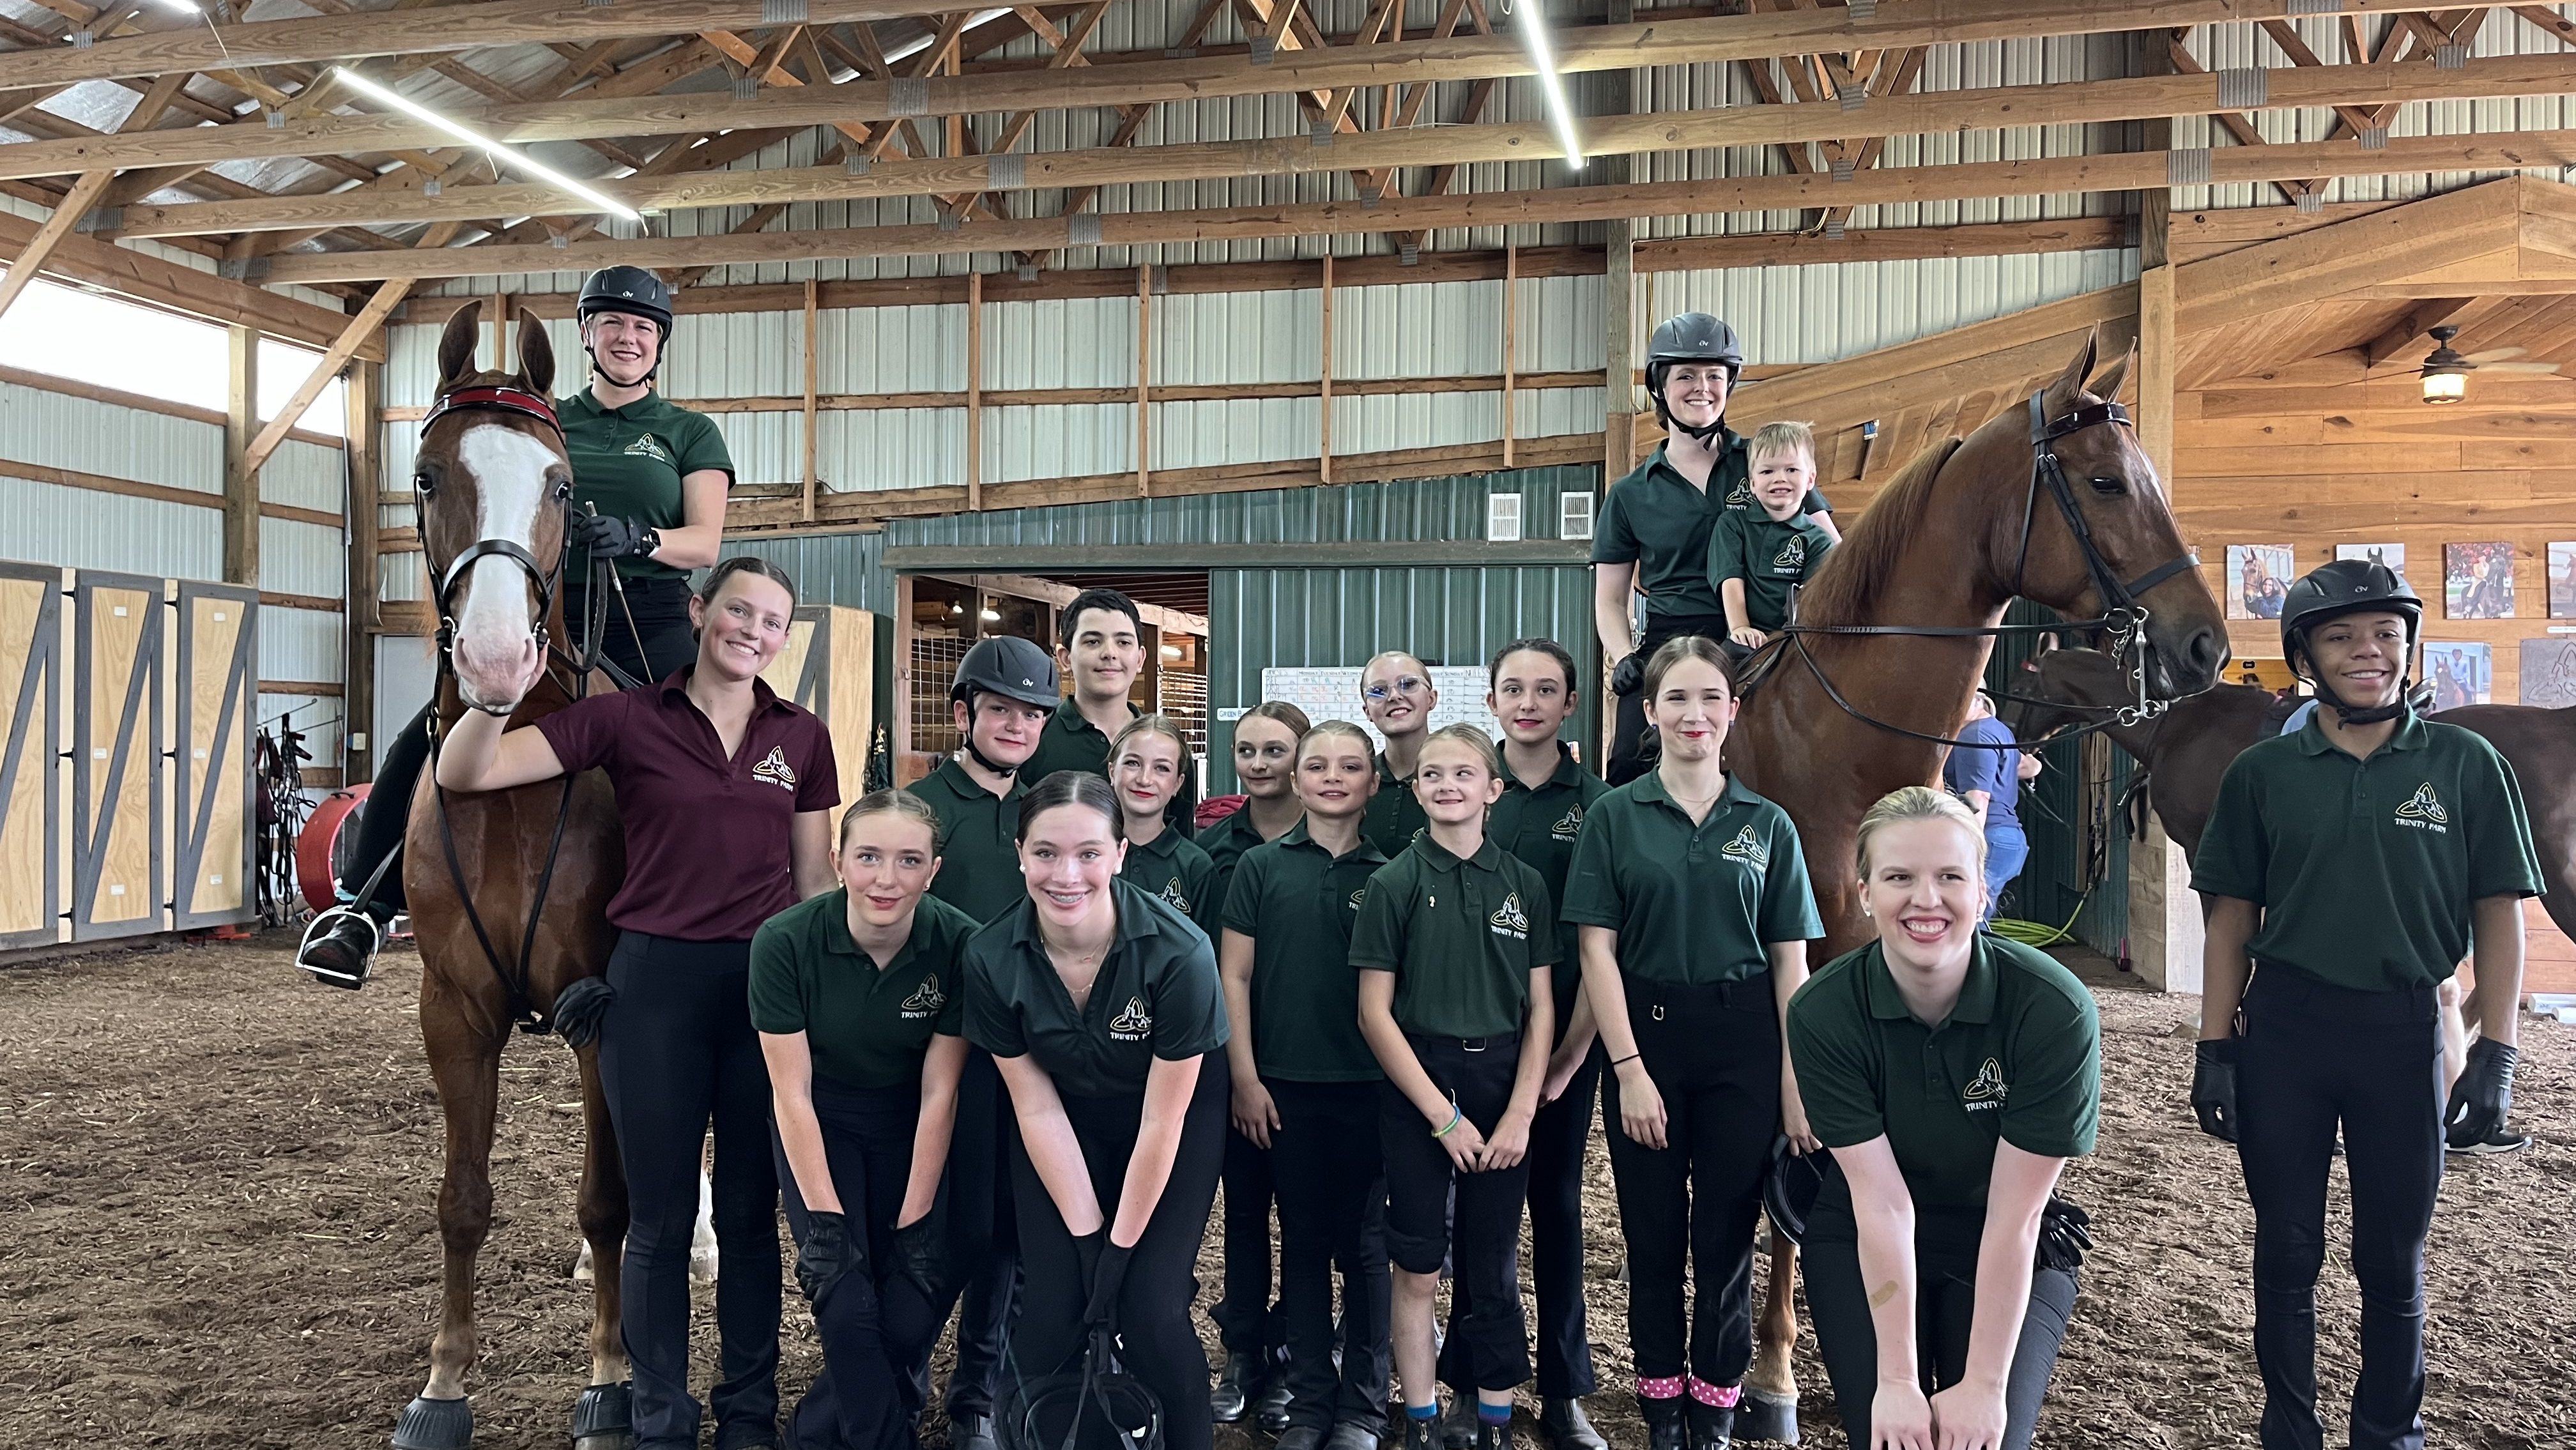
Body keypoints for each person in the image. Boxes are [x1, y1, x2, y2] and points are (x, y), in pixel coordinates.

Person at [433, 557, 840, 1450]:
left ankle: (744, 1411)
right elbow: (470, 774)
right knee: (657, 1218)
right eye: (738, 611)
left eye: (772, 622)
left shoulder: (802, 737)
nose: (753, 632)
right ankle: (659, 1415)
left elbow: (814, 884)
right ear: (699, 612)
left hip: (761, 989)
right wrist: (495, 699)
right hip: (653, 987)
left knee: (745, 1210)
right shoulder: (624, 718)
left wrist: (830, 999)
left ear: (783, 637)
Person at [296, 264, 736, 988]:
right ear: (587, 336)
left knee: (701, 744)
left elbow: (708, 540)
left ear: (659, 343)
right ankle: (360, 907)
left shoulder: (686, 431)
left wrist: (638, 537)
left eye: (643, 328)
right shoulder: (543, 417)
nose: (628, 339)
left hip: (645, 614)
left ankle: (721, 906)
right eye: (613, 325)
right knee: (430, 733)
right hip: (541, 610)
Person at [2189, 560, 2540, 1450]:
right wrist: (2214, 1045)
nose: (2368, 651)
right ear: (2305, 654)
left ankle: (2390, 1431)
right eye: (2342, 636)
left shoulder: (2467, 764)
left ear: (2409, 644)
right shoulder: (2263, 773)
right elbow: (2232, 918)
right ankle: (2291, 1427)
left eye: (2385, 632)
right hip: (2288, 1032)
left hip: (2406, 1031)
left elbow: (2499, 914)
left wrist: (2497, 1049)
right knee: (2287, 1252)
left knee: (2391, 1257)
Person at [1562, 637, 1821, 1450]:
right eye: (1677, 698)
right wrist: (1629, 1067)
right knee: (1651, 1234)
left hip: (1743, 1043)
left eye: (1711, 697)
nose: (1694, 714)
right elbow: (1595, 950)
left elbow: (1792, 962)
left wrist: (1794, 1077)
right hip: (1650, 1038)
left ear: (1732, 711)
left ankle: (1714, 1407)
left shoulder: (1767, 822)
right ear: (1651, 710)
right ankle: (1660, 1407)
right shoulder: (1614, 814)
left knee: (1725, 1236)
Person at [1786, 786, 2101, 1450]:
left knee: (1988, 1436)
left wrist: (1985, 1385)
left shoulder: (2054, 1008)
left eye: (1950, 876)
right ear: (1865, 891)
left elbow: (2016, 1216)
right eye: (1899, 876)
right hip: (1864, 1229)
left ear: (1983, 889)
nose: (1925, 899)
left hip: (2002, 1226)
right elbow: (1883, 1206)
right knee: (1890, 1432)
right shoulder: (1823, 1011)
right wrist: (1897, 1379)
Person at [961, 771, 1232, 1450]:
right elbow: (1035, 1105)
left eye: (1088, 852)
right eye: (1046, 851)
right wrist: (1086, 1240)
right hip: (1062, 1117)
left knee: (1149, 1311)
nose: (1066, 873)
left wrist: (1119, 1249)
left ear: (1119, 854)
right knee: (1054, 1310)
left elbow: (1162, 1122)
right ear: (1020, 852)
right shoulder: (991, 955)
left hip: (1170, 1116)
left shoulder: (1180, 952)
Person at [1351, 723, 1560, 1450]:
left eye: (1464, 774)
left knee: (1495, 1261)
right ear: (1415, 787)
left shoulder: (1524, 884)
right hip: (1419, 1085)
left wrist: (1521, 1112)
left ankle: (1495, 1418)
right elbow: (1374, 1012)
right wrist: (1443, 1118)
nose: (1447, 784)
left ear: (1493, 790)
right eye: (1432, 773)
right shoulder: (1393, 882)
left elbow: (1542, 1011)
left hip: (1502, 1078)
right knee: (1417, 1262)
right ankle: (1420, 1416)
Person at [751, 790, 976, 1450]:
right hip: (822, 1118)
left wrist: (915, 1222)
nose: (887, 877)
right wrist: (826, 1226)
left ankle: (812, 1433)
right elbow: (790, 1091)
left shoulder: (960, 942)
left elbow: (941, 1090)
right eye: (869, 856)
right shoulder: (784, 941)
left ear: (933, 870)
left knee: (906, 1307)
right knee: (845, 1298)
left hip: (913, 1121)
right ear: (837, 859)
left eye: (909, 860)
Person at [1438, 639, 1610, 1450]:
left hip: (1567, 1043)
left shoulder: (1601, 804)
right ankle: (1473, 1375)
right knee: (1481, 1215)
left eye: (1547, 689)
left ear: (1571, 703)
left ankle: (1566, 1386)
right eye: (1515, 688)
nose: (1530, 701)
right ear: (1492, 700)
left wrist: (1572, 1053)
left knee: (1559, 1206)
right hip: (1480, 1049)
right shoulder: (1472, 788)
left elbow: (1599, 944)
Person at [906, 632, 1062, 1450]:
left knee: (1010, 1228)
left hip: (1028, 1056)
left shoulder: (1045, 813)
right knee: (936, 1224)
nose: (1016, 725)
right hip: (939, 1050)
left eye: (1032, 713)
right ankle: (899, 1370)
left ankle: (979, 1390)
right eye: (1000, 709)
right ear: (964, 712)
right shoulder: (923, 809)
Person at [1219, 720, 1391, 1450]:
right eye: (1316, 764)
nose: (1331, 777)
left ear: (1373, 783)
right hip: (1283, 1089)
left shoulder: (1393, 872)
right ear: (1297, 778)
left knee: (1368, 1250)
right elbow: (1234, 975)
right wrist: (1245, 1076)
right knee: (1305, 1243)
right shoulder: (1260, 868)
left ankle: (1365, 1403)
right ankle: (1313, 1399)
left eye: (1349, 766)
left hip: (1369, 1089)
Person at [1594, 312, 1838, 786]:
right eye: (1685, 375)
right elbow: (1609, 597)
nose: (1701, 387)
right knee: (1626, 758)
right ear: (1661, 388)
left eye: (1713, 375)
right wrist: (1624, 656)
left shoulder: (1768, 463)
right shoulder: (1629, 493)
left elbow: (1834, 549)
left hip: (1768, 636)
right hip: (1672, 636)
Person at [1192, 698, 1312, 1426]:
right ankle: (1242, 1349)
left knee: (1307, 1217)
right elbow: (1207, 968)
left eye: (1277, 750)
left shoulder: (1334, 840)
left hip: (1315, 1062)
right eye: (1249, 750)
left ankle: (1300, 1349)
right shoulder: (1214, 854)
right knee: (1243, 1211)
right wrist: (1239, 1072)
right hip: (1237, 1059)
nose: (1262, 764)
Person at [1022, 587, 1199, 829]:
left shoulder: (1169, 748)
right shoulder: (1034, 738)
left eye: (1123, 642)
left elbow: (1182, 844)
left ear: (1140, 659)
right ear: (1065, 658)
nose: (1109, 653)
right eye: (1093, 641)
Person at [1707, 420, 1835, 657]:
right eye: (1768, 471)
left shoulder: (1819, 540)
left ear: (1810, 479)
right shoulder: (1732, 524)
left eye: (1791, 470)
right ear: (1753, 484)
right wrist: (1740, 627)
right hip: (1745, 643)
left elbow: (1810, 599)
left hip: (1796, 642)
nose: (1779, 478)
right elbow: (1731, 581)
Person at [1110, 714, 1219, 926]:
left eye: (1162, 768)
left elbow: (1209, 953)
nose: (1144, 779)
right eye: (1133, 763)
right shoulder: (1086, 854)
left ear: (1178, 784)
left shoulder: (1196, 866)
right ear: (1112, 772)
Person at [1941, 692, 2028, 925]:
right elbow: (2028, 767)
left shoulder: (1975, 736)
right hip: (2007, 838)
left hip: (1989, 837)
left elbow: (1977, 799)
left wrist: (1972, 852)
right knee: (1974, 919)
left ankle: (1983, 962)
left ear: (1980, 701)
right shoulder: (1998, 730)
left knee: (1967, 919)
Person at [1360, 651, 1438, 855]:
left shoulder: (1459, 782)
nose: (1394, 696)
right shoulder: (1358, 783)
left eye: (1408, 684)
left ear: (1432, 698)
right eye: (1378, 691)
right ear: (1367, 711)